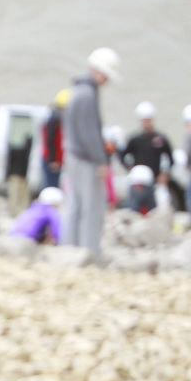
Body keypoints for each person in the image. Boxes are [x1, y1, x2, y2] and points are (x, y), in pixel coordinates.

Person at [62, 47, 121, 258]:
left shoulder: (78, 91)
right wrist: (101, 161)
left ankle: (70, 250)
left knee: (75, 206)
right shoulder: (88, 95)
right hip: (86, 159)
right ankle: (88, 253)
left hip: (74, 156)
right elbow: (90, 133)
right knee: (91, 208)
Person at [120, 101, 174, 179]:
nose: (146, 123)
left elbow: (171, 159)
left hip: (156, 177)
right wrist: (130, 169)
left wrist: (165, 174)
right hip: (138, 179)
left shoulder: (160, 139)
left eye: (148, 120)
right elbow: (123, 155)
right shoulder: (134, 139)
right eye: (144, 121)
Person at [40, 89, 69, 189]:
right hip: (52, 160)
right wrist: (53, 160)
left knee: (53, 186)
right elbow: (50, 140)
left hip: (53, 159)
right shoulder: (54, 119)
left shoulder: (54, 116)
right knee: (51, 188)